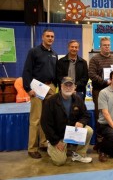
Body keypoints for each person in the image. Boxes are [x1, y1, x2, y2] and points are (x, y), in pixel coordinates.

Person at [41, 77, 93, 166]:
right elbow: (45, 124)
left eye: (70, 85)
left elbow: (86, 115)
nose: (68, 87)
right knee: (59, 162)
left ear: (74, 87)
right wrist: (55, 141)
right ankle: (51, 146)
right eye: (66, 85)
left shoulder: (78, 99)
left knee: (88, 130)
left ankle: (79, 154)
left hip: (71, 133)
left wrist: (81, 122)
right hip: (57, 136)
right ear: (61, 86)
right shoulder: (51, 101)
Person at [22, 29, 57, 159]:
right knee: (35, 119)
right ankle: (32, 148)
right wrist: (28, 88)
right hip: (36, 87)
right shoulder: (34, 52)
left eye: (52, 36)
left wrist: (56, 86)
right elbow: (26, 71)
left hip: (50, 87)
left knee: (47, 117)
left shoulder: (54, 53)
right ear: (42, 37)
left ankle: (43, 143)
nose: (50, 38)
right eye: (47, 36)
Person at [88, 37, 113, 128]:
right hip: (99, 91)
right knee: (100, 115)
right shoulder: (94, 59)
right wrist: (105, 82)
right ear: (100, 46)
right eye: (104, 45)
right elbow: (91, 74)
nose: (107, 47)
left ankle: (111, 135)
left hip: (112, 91)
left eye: (108, 45)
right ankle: (100, 138)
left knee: (112, 113)